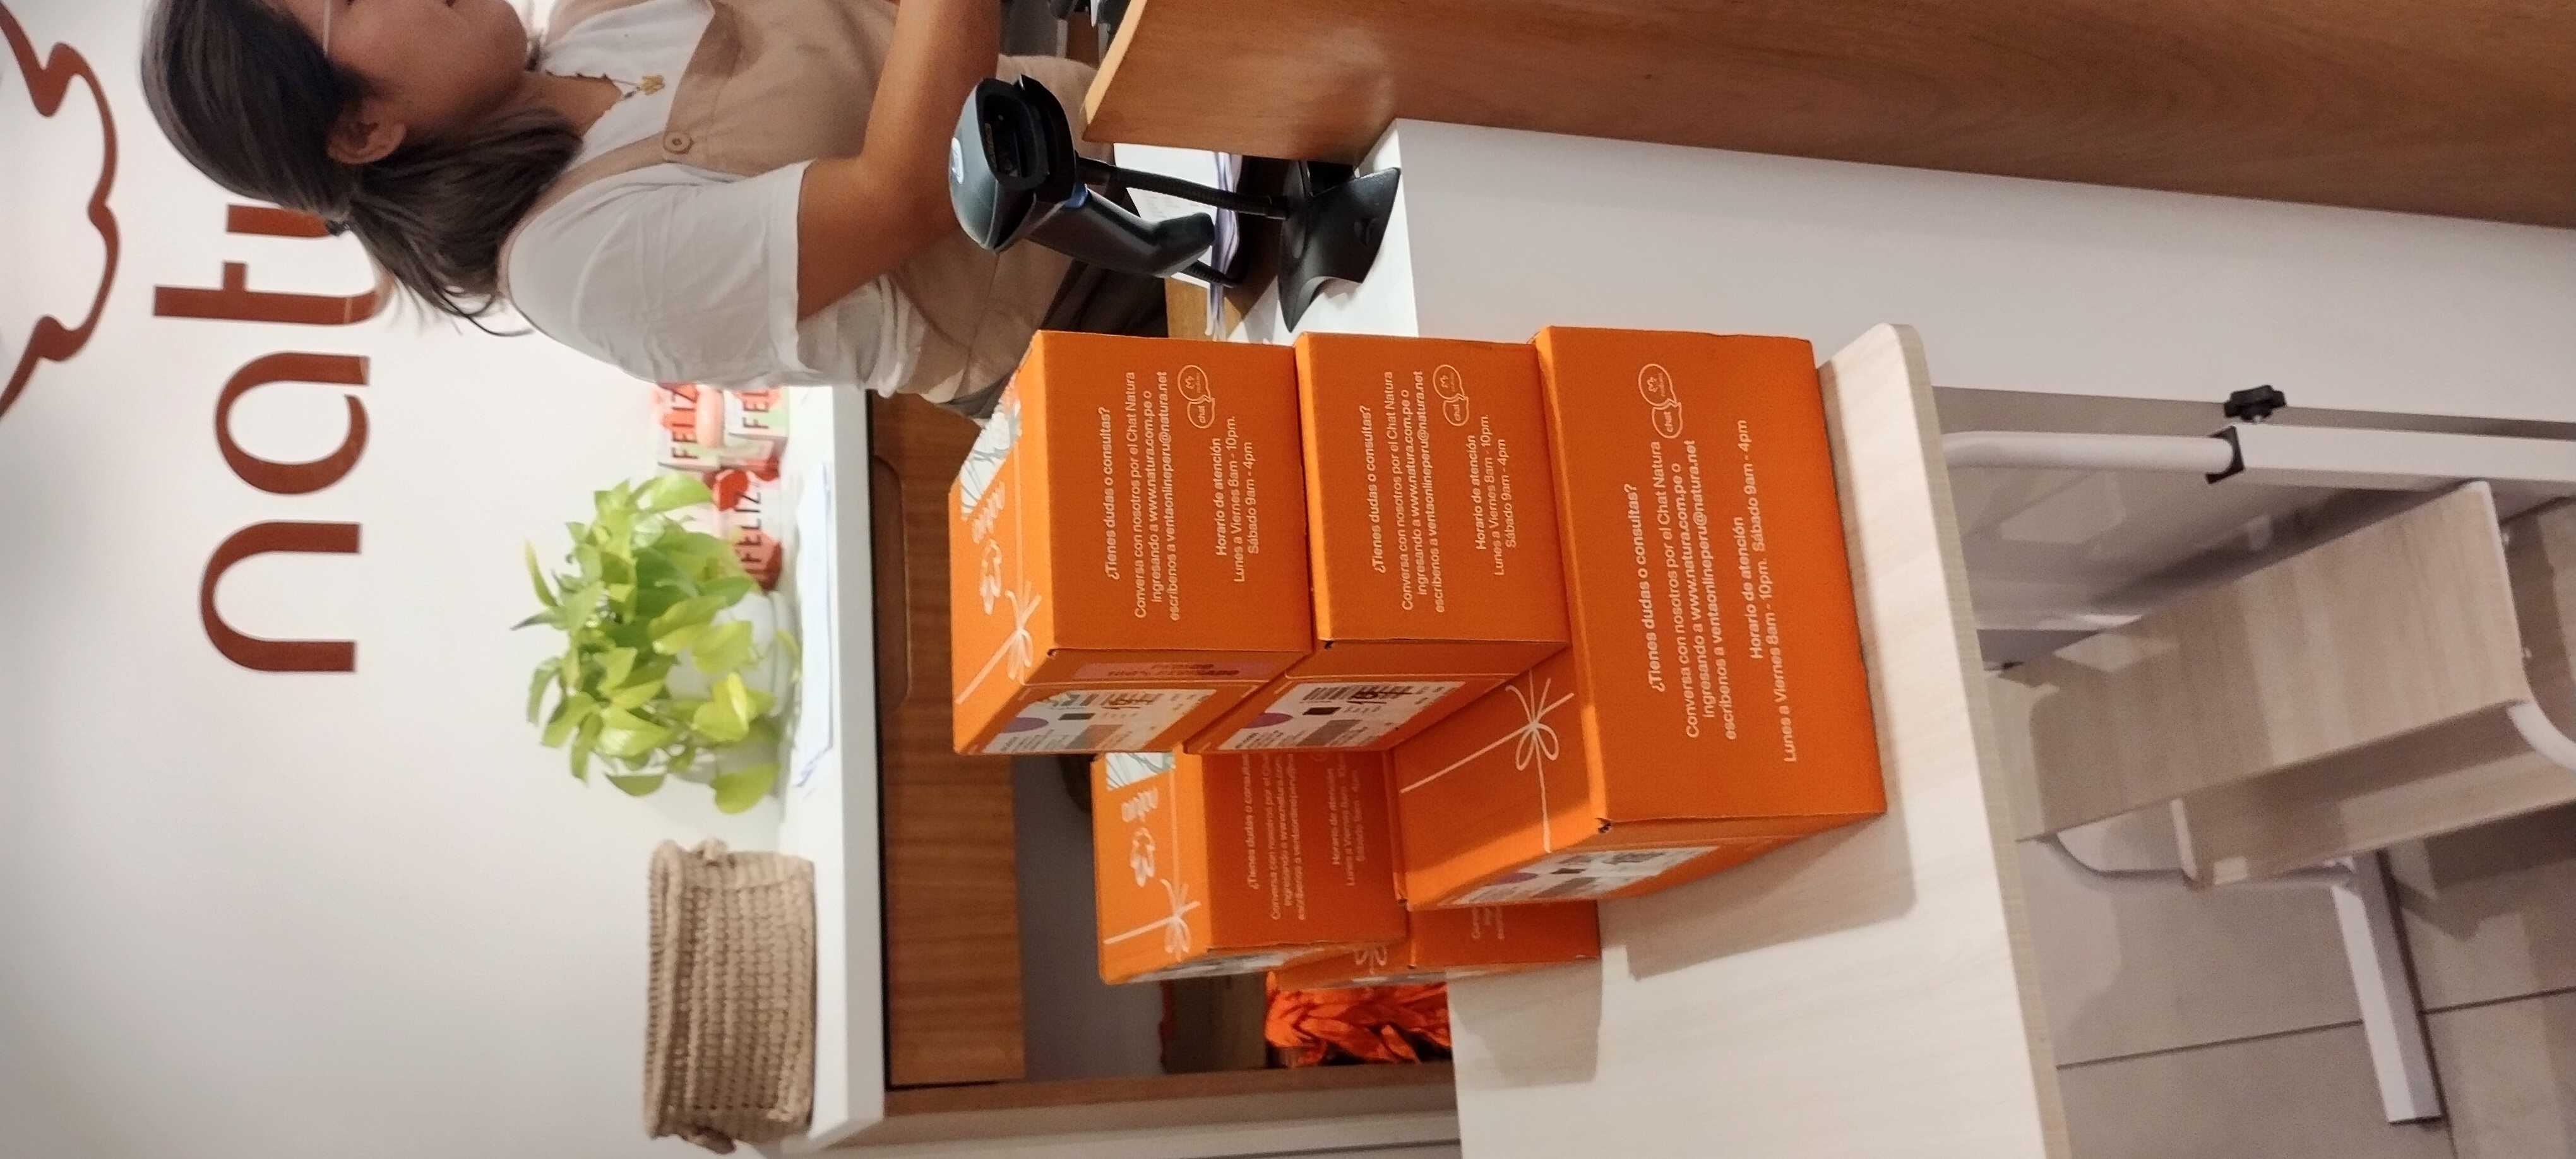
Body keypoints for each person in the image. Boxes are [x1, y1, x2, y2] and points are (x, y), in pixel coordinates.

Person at [142, 0, 1160, 415]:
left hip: (1131, 127)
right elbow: (909, 191)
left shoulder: (591, 21)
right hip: (1111, 328)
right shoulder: (571, 264)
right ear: (362, 129)